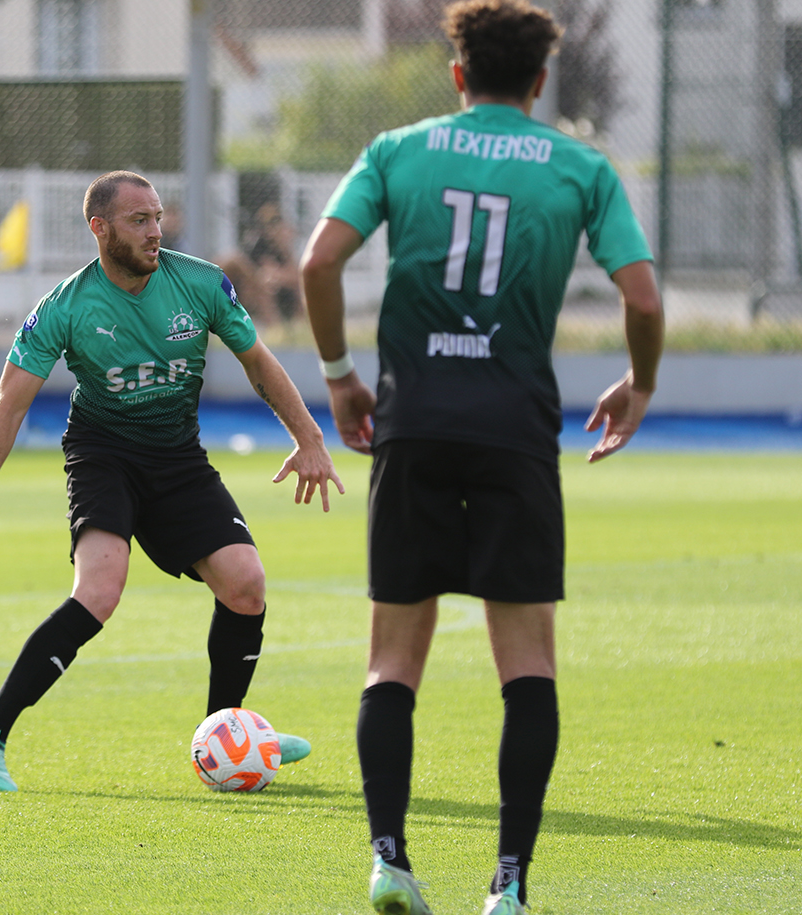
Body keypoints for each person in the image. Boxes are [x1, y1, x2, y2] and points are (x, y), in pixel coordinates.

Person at [298, 3, 664, 914]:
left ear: (456, 74)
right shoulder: (581, 166)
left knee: (392, 659)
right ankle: (508, 885)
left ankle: (389, 860)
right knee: (527, 661)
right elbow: (645, 297)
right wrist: (639, 383)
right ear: (541, 82)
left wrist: (342, 377)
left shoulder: (398, 151)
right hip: (515, 431)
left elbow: (317, 263)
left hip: (413, 425)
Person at [0, 170, 345, 792]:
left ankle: (229, 735)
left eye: (158, 217)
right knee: (100, 590)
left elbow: (258, 361)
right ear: (98, 228)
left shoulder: (201, 283)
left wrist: (310, 439)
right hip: (103, 455)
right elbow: (7, 406)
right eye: (139, 221)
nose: (155, 231)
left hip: (177, 457)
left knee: (245, 584)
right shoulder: (66, 307)